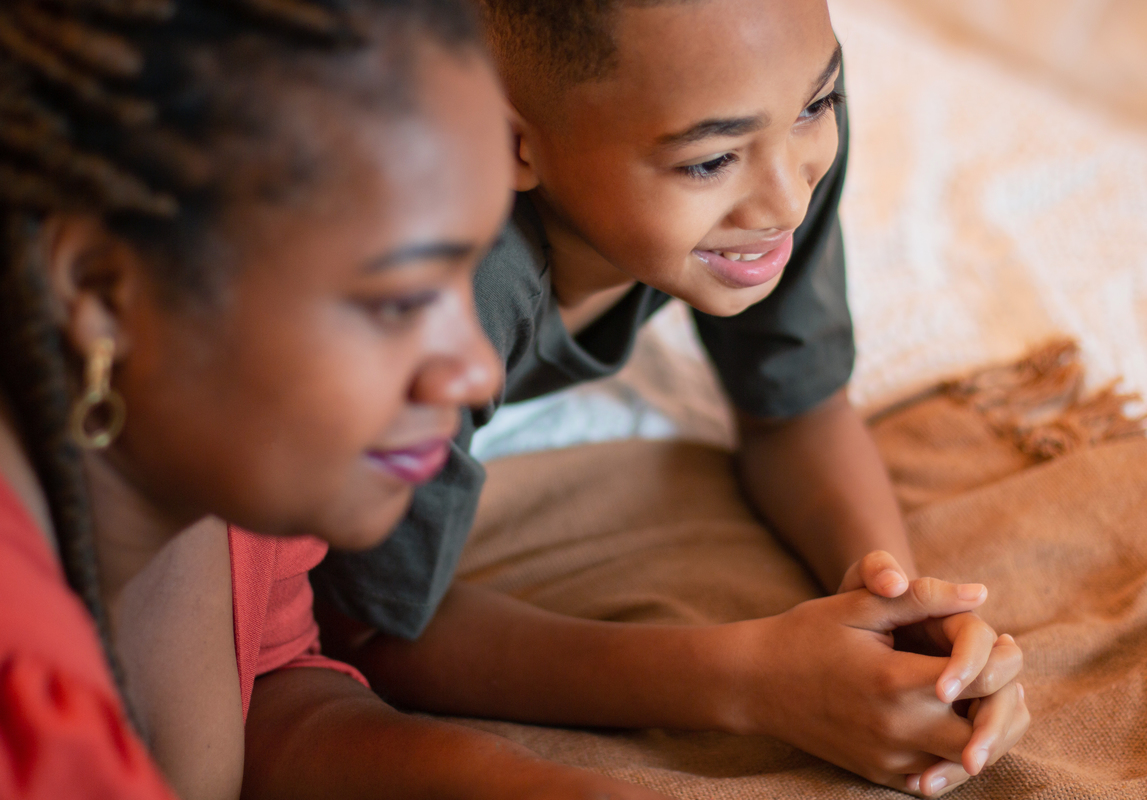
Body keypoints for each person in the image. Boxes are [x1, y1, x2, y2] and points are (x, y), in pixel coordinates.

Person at [312, 0, 1032, 796]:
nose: (786, 202)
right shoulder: (447, 296)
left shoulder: (770, 117)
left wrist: (897, 609)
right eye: (708, 163)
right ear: (508, 140)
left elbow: (794, 408)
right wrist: (751, 679)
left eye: (818, 107)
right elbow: (368, 626)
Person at [1, 1, 668, 798]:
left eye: (468, 280)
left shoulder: (226, 465)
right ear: (99, 289)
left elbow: (276, 693)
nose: (477, 375)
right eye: (399, 301)